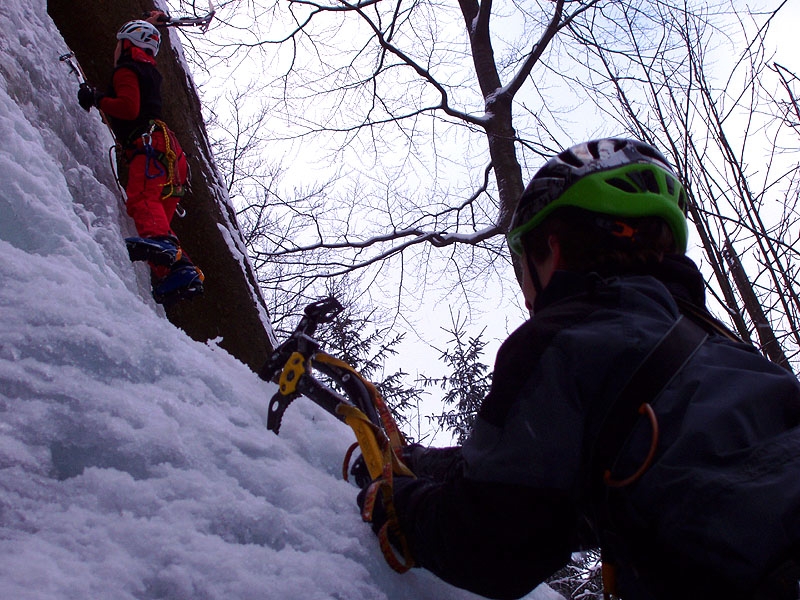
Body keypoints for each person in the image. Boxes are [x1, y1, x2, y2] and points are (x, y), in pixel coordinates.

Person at [354, 138, 800, 600]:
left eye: (522, 268)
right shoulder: (730, 354)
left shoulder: (562, 339)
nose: (527, 295)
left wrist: (397, 506)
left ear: (552, 249)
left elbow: (491, 540)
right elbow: (586, 487)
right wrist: (425, 463)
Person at [77, 12, 204, 305]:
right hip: (172, 157)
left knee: (142, 202)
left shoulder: (126, 70)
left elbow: (129, 107)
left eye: (118, 43)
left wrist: (96, 98)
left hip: (150, 148)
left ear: (127, 44)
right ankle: (182, 272)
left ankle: (171, 259)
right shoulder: (149, 70)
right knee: (157, 221)